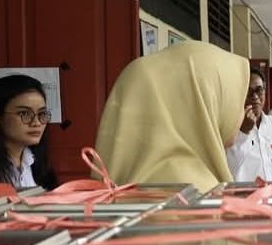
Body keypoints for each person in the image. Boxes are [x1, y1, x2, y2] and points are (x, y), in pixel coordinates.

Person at [95, 41, 247, 192]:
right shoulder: (196, 194)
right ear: (203, 104)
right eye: (238, 103)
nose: (241, 114)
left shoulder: (107, 191)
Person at [225, 68, 272, 182]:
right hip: (248, 193)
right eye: (248, 91)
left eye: (259, 90)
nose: (255, 96)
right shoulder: (229, 129)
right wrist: (243, 133)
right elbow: (230, 169)